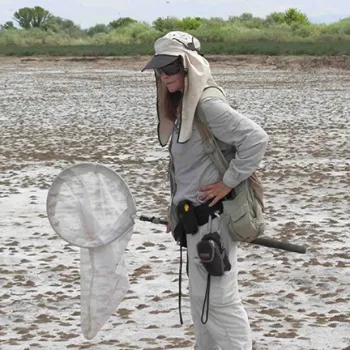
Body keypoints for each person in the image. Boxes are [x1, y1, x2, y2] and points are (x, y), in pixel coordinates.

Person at [141, 31, 268, 350]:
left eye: (170, 67)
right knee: (201, 302)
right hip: (193, 222)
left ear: (189, 66)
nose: (164, 75)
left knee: (221, 300)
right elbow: (183, 171)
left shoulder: (208, 105)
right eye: (160, 69)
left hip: (214, 224)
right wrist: (175, 212)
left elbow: (256, 139)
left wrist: (228, 182)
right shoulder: (185, 106)